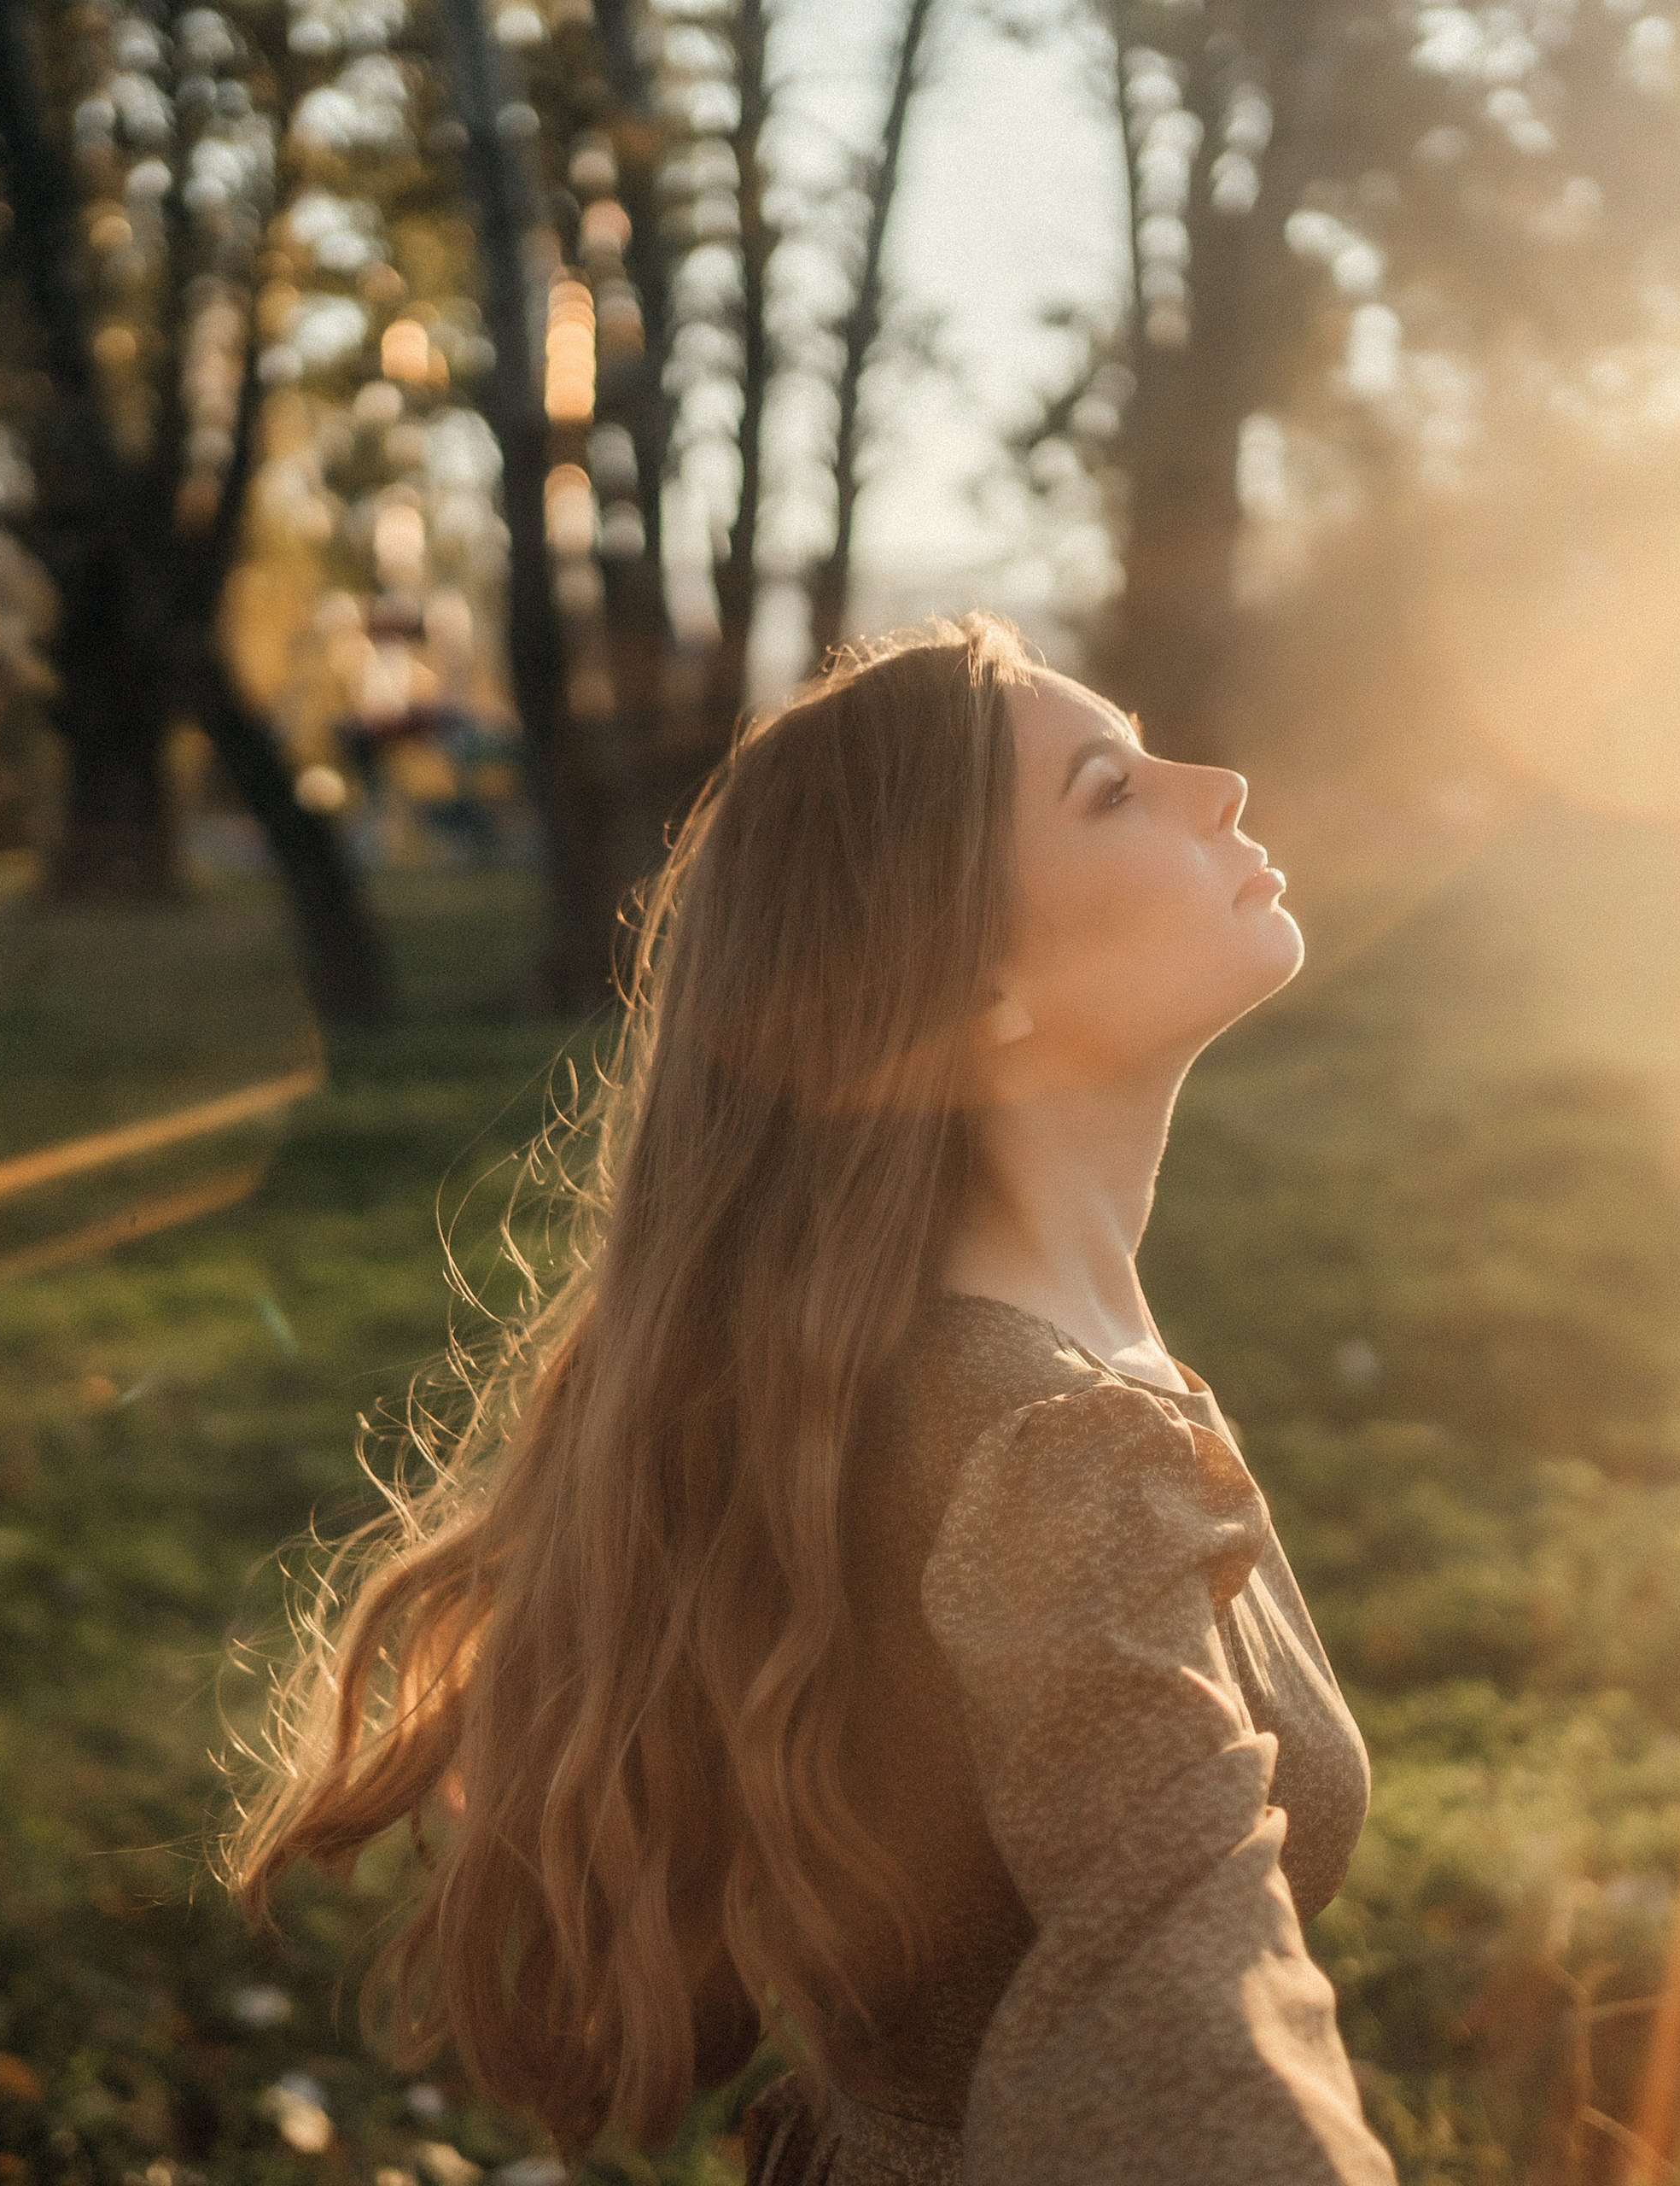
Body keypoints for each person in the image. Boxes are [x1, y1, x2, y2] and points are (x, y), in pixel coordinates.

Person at [230, 615, 1397, 2185]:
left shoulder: (960, 1366)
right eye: (1113, 790)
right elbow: (1185, 2004)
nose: (1221, 785)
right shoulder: (1048, 1448)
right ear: (965, 980)